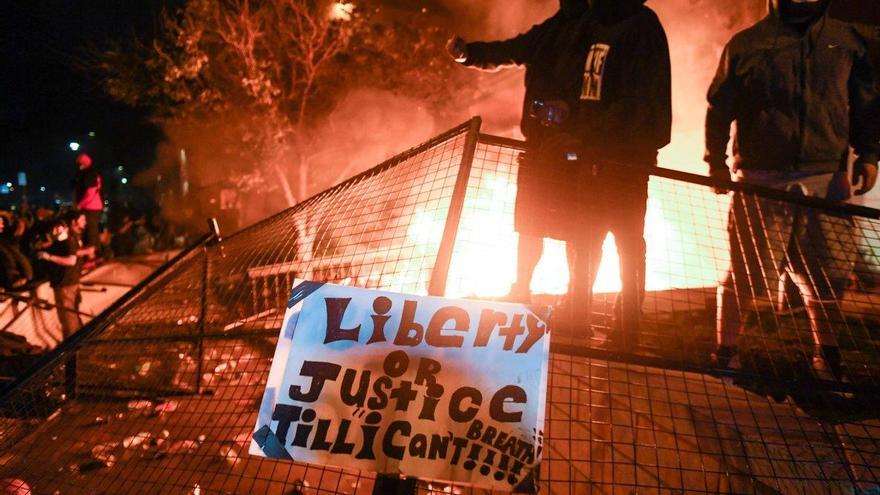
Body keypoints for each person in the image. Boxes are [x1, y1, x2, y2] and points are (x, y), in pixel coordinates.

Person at [705, 0, 880, 381]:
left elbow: (866, 103)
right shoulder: (748, 44)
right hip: (761, 177)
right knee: (746, 271)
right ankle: (725, 356)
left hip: (826, 178)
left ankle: (827, 359)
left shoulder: (845, 42)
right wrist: (716, 163)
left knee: (828, 274)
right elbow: (719, 108)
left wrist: (868, 155)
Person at [447, 0, 590, 306]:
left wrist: (574, 121)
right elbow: (508, 50)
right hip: (538, 147)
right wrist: (468, 54)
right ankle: (522, 289)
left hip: (573, 152)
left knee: (574, 226)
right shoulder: (552, 30)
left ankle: (577, 299)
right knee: (530, 223)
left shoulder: (599, 33)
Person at [566, 0, 671, 349]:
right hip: (593, 155)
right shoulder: (595, 24)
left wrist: (593, 138)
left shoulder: (642, 26)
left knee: (626, 242)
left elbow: (638, 100)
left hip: (625, 158)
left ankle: (626, 328)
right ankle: (577, 316)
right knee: (584, 237)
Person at [36, 212, 93, 339]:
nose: (56, 230)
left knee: (67, 317)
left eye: (59, 227)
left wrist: (49, 257)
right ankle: (76, 342)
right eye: (55, 228)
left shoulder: (68, 241)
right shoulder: (64, 241)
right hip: (66, 282)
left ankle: (70, 346)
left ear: (66, 227)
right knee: (69, 315)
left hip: (65, 283)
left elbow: (71, 260)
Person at [73, 153, 104, 256]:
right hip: (90, 206)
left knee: (91, 230)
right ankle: (93, 253)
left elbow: (91, 192)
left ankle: (94, 253)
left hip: (91, 207)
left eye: (79, 163)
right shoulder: (87, 174)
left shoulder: (90, 174)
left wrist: (80, 204)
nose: (78, 166)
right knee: (89, 230)